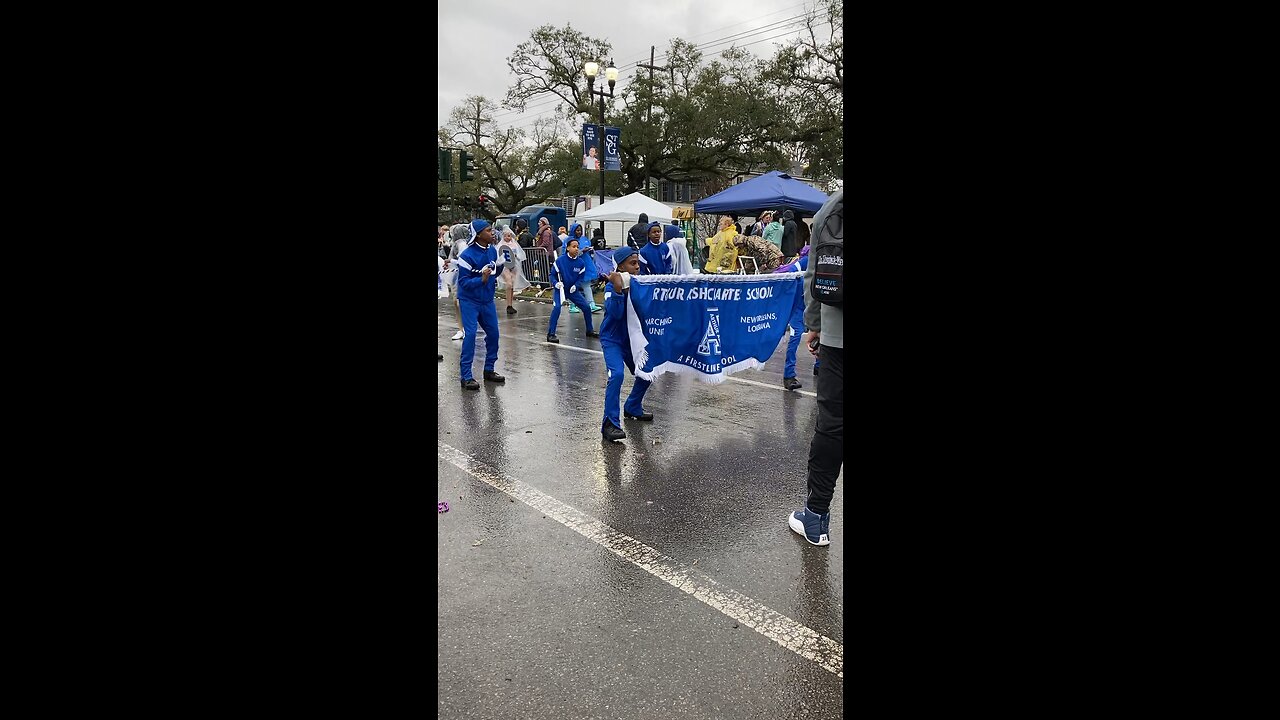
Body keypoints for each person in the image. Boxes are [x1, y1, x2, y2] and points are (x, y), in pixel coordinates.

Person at [789, 190, 843, 546]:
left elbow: (815, 276)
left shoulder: (833, 209)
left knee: (832, 426)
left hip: (839, 336)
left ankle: (816, 516)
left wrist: (814, 325)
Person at [598, 247, 653, 442]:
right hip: (612, 340)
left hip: (632, 340)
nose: (637, 267)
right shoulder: (610, 287)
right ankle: (610, 424)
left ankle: (632, 406)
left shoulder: (640, 284)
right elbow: (615, 313)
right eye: (633, 263)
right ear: (620, 266)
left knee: (647, 372)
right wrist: (618, 289)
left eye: (638, 263)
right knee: (617, 375)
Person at [456, 219, 506, 390]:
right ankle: (466, 376)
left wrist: (500, 265)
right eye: (488, 230)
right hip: (469, 300)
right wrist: (481, 279)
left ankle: (489, 369)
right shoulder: (466, 256)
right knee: (470, 335)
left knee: (494, 334)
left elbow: (496, 270)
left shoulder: (492, 250)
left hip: (487, 300)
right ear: (478, 235)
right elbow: (463, 283)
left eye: (492, 230)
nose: (492, 233)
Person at [545, 237, 600, 344]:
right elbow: (552, 275)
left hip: (572, 290)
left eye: (577, 247)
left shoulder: (580, 263)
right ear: (567, 248)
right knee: (557, 308)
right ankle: (551, 334)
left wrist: (576, 285)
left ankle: (589, 330)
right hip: (560, 289)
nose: (576, 249)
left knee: (586, 307)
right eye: (573, 246)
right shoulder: (560, 261)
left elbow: (580, 277)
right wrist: (556, 283)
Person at [773, 245, 811, 389]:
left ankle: (820, 367)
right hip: (799, 306)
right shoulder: (806, 261)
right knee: (795, 336)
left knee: (823, 335)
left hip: (816, 306)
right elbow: (790, 273)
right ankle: (789, 375)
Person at [565, 223, 602, 313]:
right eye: (577, 230)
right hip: (573, 265)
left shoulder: (584, 239)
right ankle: (572, 305)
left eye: (580, 230)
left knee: (586, 285)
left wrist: (590, 251)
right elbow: (567, 253)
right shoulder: (569, 241)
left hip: (585, 265)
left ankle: (591, 304)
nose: (579, 232)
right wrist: (581, 251)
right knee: (573, 286)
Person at [444, 223, 472, 341]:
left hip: (462, 277)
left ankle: (465, 328)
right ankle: (461, 328)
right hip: (457, 277)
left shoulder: (463, 245)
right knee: (456, 302)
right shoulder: (457, 245)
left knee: (460, 302)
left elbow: (462, 261)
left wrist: (451, 261)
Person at [495, 226, 531, 315]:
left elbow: (520, 255)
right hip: (504, 266)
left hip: (514, 266)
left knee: (512, 285)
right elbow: (497, 256)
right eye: (506, 236)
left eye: (509, 236)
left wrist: (516, 257)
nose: (508, 237)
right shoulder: (500, 245)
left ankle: (510, 304)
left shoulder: (514, 244)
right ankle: (508, 305)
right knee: (509, 283)